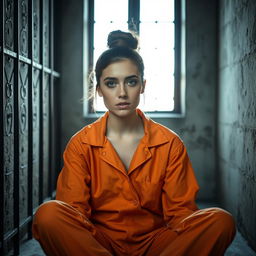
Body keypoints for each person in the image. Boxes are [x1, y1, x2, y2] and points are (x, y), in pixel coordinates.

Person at [32, 30, 236, 256]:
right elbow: (75, 214)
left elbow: (181, 216)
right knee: (48, 214)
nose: (122, 93)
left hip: (156, 244)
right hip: (98, 245)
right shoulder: (81, 144)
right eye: (111, 83)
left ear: (143, 85)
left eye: (131, 81)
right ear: (99, 89)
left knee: (220, 221)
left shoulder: (169, 143)